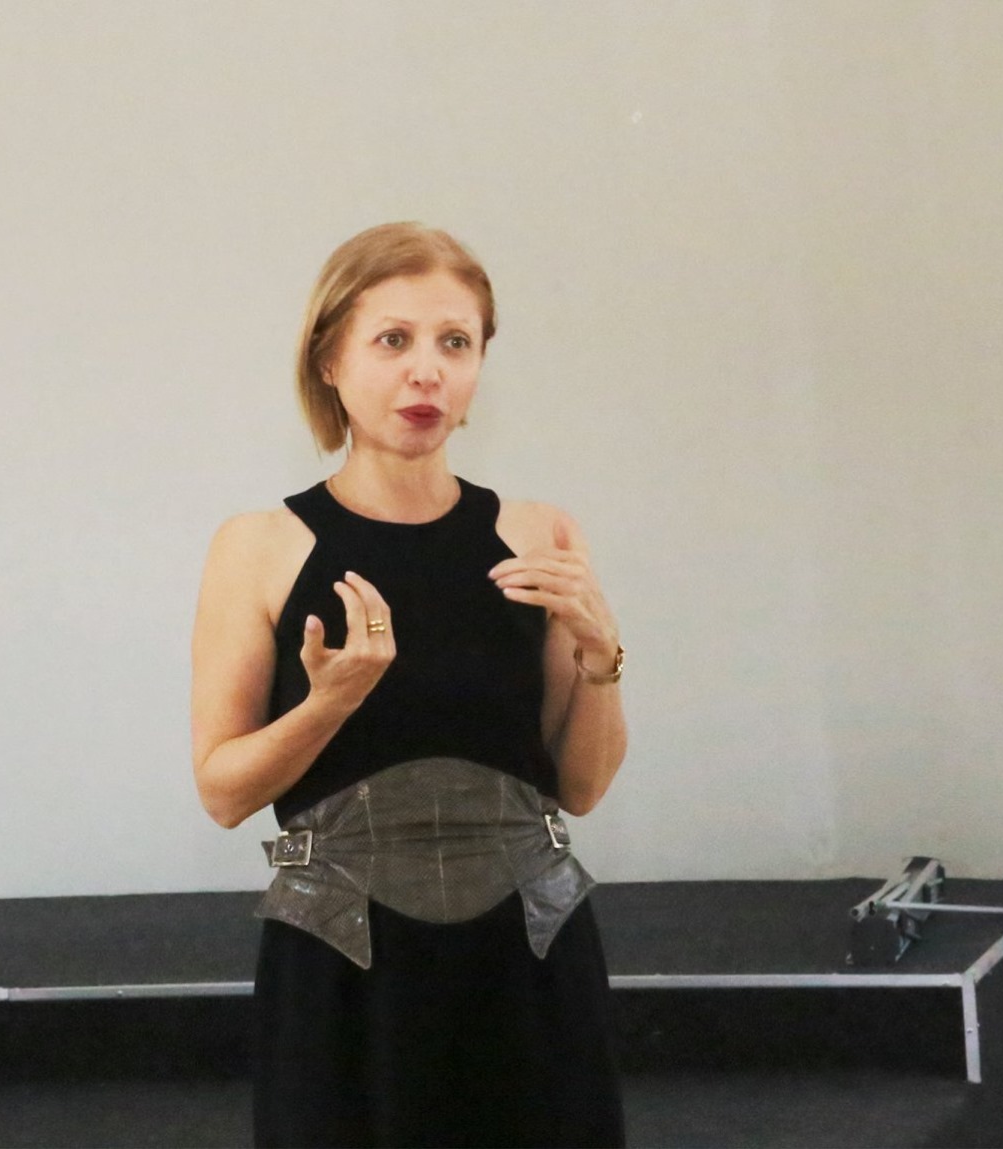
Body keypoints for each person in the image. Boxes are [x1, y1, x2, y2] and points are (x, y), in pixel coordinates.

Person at [190, 222, 629, 1147]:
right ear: (330, 360)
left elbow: (581, 785)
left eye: (454, 342)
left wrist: (602, 655)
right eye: (393, 340)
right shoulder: (260, 547)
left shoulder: (539, 534)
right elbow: (223, 790)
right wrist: (330, 703)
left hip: (527, 956)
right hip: (344, 966)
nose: (426, 371)